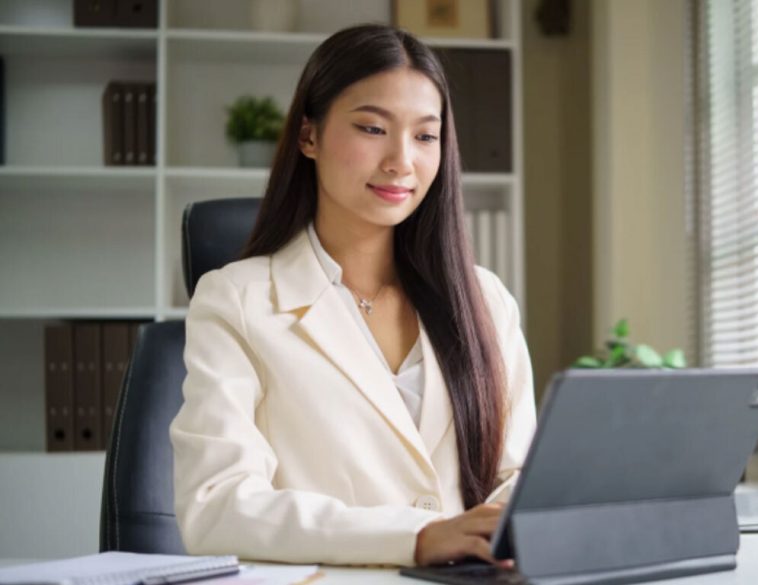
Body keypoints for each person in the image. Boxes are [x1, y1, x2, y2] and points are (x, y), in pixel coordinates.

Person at [169, 24, 536, 568]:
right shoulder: (236, 302)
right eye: (372, 128)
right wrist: (417, 536)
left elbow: (517, 478)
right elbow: (217, 505)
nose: (401, 161)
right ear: (308, 136)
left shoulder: (485, 299)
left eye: (425, 136)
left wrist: (503, 529)